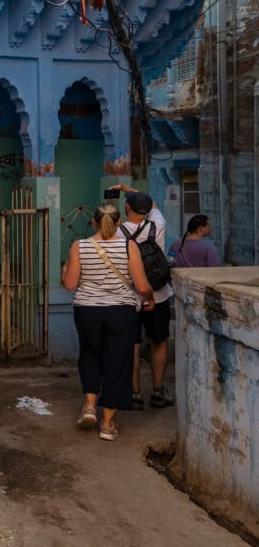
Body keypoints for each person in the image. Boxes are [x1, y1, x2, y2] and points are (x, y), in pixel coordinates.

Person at [62, 203, 154, 441]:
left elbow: (70, 284)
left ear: (93, 222)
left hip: (87, 310)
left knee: (90, 354)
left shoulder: (79, 246)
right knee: (117, 361)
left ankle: (90, 406)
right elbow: (142, 286)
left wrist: (65, 270)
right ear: (119, 223)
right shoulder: (128, 246)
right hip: (120, 311)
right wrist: (149, 297)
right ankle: (107, 423)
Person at [109, 183, 174, 409]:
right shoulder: (159, 224)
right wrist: (129, 188)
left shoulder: (117, 231)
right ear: (147, 209)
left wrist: (119, 190)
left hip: (128, 296)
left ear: (127, 207)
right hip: (158, 294)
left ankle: (134, 393)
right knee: (159, 342)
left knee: (133, 345)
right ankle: (157, 390)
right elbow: (152, 204)